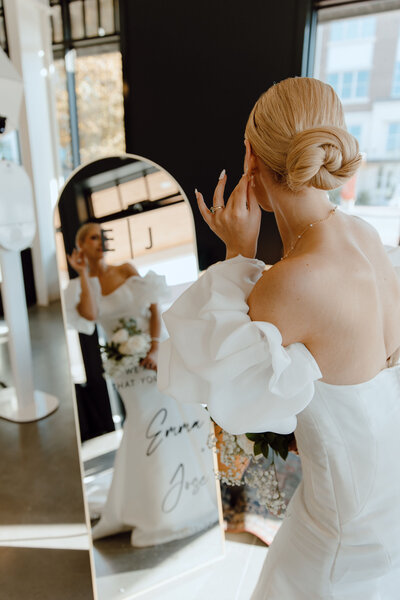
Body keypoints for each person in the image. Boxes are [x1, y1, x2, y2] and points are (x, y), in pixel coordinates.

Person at [158, 77, 400, 598]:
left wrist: (238, 253)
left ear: (250, 157)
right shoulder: (367, 237)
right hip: (388, 502)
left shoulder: (289, 283)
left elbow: (228, 396)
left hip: (337, 530)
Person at [64, 222, 218, 547]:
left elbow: (152, 307)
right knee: (144, 424)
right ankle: (153, 498)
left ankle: (197, 486)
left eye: (102, 236)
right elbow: (90, 317)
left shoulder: (125, 269)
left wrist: (154, 346)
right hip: (124, 368)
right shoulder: (82, 285)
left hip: (153, 352)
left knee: (176, 413)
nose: (100, 241)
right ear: (80, 247)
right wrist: (82, 275)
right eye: (92, 237)